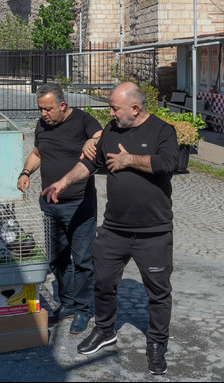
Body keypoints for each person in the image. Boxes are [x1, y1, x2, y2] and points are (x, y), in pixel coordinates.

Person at [42, 82, 179, 376]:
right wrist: (65, 181)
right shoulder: (111, 130)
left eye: (115, 107)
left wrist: (129, 160)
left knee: (158, 292)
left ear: (135, 108)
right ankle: (105, 330)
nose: (111, 112)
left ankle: (156, 343)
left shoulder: (162, 131)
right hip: (114, 229)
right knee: (103, 283)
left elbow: (170, 163)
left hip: (152, 231)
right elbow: (90, 163)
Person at [16, 83, 103, 335]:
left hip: (79, 204)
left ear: (62, 105)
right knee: (58, 258)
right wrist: (25, 172)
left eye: (48, 109)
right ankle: (67, 304)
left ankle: (83, 309)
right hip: (50, 205)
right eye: (41, 109)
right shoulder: (42, 125)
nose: (43, 114)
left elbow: (100, 136)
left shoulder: (83, 120)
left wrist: (93, 140)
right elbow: (37, 153)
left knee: (83, 260)